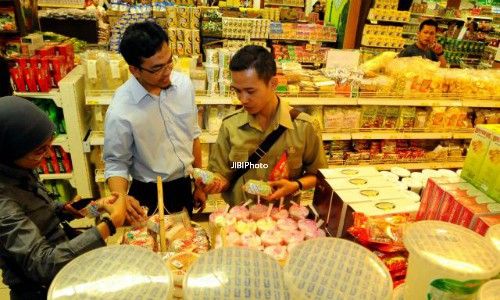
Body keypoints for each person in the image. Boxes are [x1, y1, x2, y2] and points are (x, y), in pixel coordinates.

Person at [0, 96, 145, 299]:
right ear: (9, 152)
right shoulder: (3, 204)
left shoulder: (21, 169)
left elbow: (44, 212)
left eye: (50, 144)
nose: (48, 155)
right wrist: (109, 225)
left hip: (69, 269)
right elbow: (43, 265)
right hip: (44, 289)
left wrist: (89, 208)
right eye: (39, 151)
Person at [198, 45, 327, 206]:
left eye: (250, 91)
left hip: (284, 222)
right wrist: (213, 184)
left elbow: (318, 175)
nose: (242, 99)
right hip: (240, 221)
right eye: (237, 91)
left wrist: (296, 185)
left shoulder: (304, 126)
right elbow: (222, 175)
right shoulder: (230, 126)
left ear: (273, 84)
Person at [104, 21, 204, 215]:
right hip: (147, 193)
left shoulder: (183, 86)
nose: (167, 72)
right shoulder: (121, 110)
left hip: (184, 185)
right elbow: (116, 163)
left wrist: (199, 184)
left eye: (169, 62)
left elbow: (193, 135)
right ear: (135, 70)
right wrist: (121, 198)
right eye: (157, 68)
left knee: (186, 242)